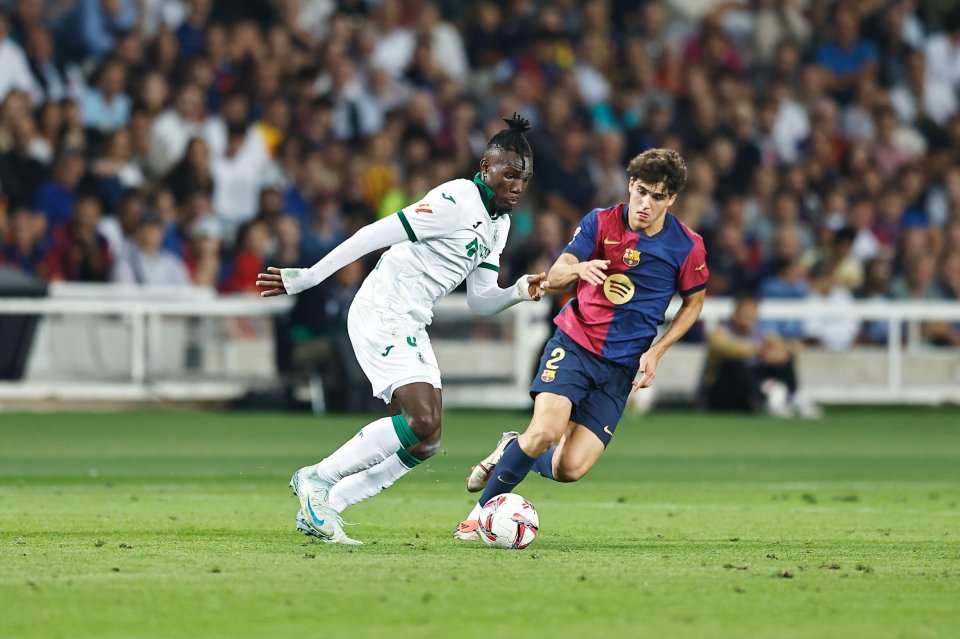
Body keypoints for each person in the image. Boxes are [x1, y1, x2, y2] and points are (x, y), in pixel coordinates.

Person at [256, 114, 546, 544]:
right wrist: (312, 276)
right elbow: (376, 232)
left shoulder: (497, 224)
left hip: (411, 319)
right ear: (486, 169)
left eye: (524, 178)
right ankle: (316, 479)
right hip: (381, 310)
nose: (518, 186)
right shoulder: (457, 199)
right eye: (509, 175)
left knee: (425, 441)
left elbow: (479, 298)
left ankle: (329, 506)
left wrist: (520, 290)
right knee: (420, 418)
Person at [454, 148, 709, 540]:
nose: (645, 203)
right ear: (630, 185)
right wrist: (578, 268)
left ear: (672, 199)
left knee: (569, 468)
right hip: (574, 344)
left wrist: (657, 350)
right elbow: (555, 275)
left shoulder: (687, 246)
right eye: (641, 191)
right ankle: (478, 516)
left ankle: (512, 450)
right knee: (544, 432)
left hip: (620, 369)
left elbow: (694, 302)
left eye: (657, 196)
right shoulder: (601, 222)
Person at [699, 293, 820, 418]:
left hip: (747, 389)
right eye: (744, 314)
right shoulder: (721, 331)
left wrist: (779, 353)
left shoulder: (760, 333)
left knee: (785, 358)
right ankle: (767, 393)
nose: (748, 318)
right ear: (735, 312)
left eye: (752, 314)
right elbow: (724, 347)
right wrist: (758, 351)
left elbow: (790, 347)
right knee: (735, 362)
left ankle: (793, 396)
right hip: (722, 391)